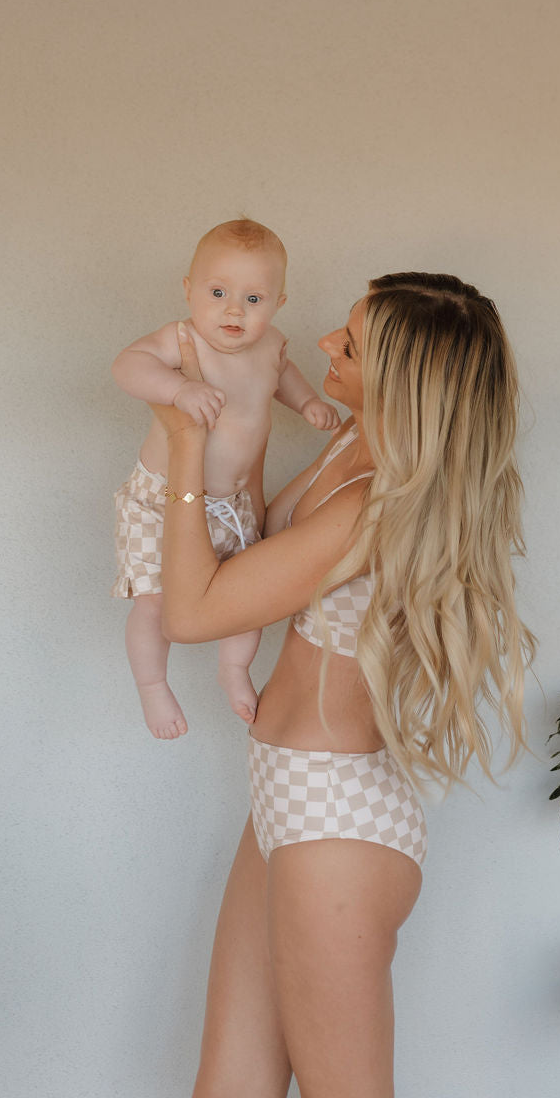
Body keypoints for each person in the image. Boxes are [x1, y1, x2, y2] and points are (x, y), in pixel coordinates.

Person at [151, 272, 535, 1098]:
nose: (325, 343)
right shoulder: (354, 443)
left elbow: (193, 611)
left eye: (351, 345)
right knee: (229, 1084)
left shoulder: (376, 505)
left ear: (402, 380)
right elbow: (245, 550)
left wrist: (183, 441)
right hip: (286, 792)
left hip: (336, 818)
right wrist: (232, 407)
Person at [111, 218, 339, 739]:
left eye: (254, 298)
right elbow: (127, 365)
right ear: (189, 291)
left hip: (232, 504)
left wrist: (307, 404)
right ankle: (152, 687)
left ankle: (233, 670)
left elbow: (283, 375)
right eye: (217, 292)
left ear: (279, 303)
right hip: (160, 499)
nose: (234, 310)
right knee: (156, 601)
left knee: (249, 595)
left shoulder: (271, 345)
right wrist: (176, 390)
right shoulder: (181, 339)